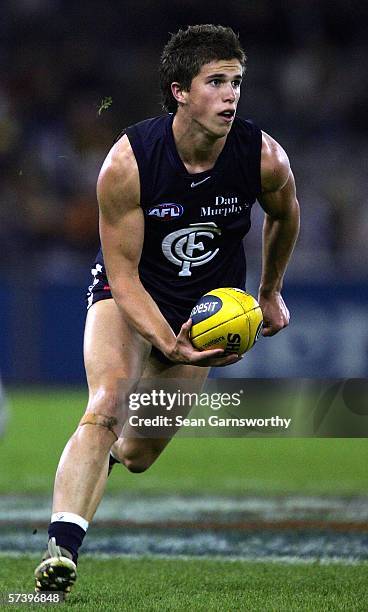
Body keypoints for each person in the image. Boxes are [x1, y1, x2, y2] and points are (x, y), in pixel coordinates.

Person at [35, 24, 300, 593]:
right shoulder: (128, 163)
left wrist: (271, 289)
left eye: (236, 82)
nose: (231, 94)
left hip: (206, 308)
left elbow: (285, 213)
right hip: (129, 295)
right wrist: (165, 339)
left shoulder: (264, 158)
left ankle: (96, 459)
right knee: (107, 403)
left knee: (137, 452)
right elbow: (124, 276)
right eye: (215, 82)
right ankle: (62, 551)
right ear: (180, 91)